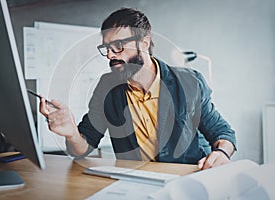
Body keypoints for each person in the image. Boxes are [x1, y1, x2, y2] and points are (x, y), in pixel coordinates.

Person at [40, 7, 236, 170]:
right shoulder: (107, 87)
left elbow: (223, 133)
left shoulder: (189, 82)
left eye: (117, 45)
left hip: (187, 180)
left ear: (144, 42)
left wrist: (221, 153)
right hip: (138, 183)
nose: (109, 55)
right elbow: (82, 149)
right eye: (106, 48)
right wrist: (72, 133)